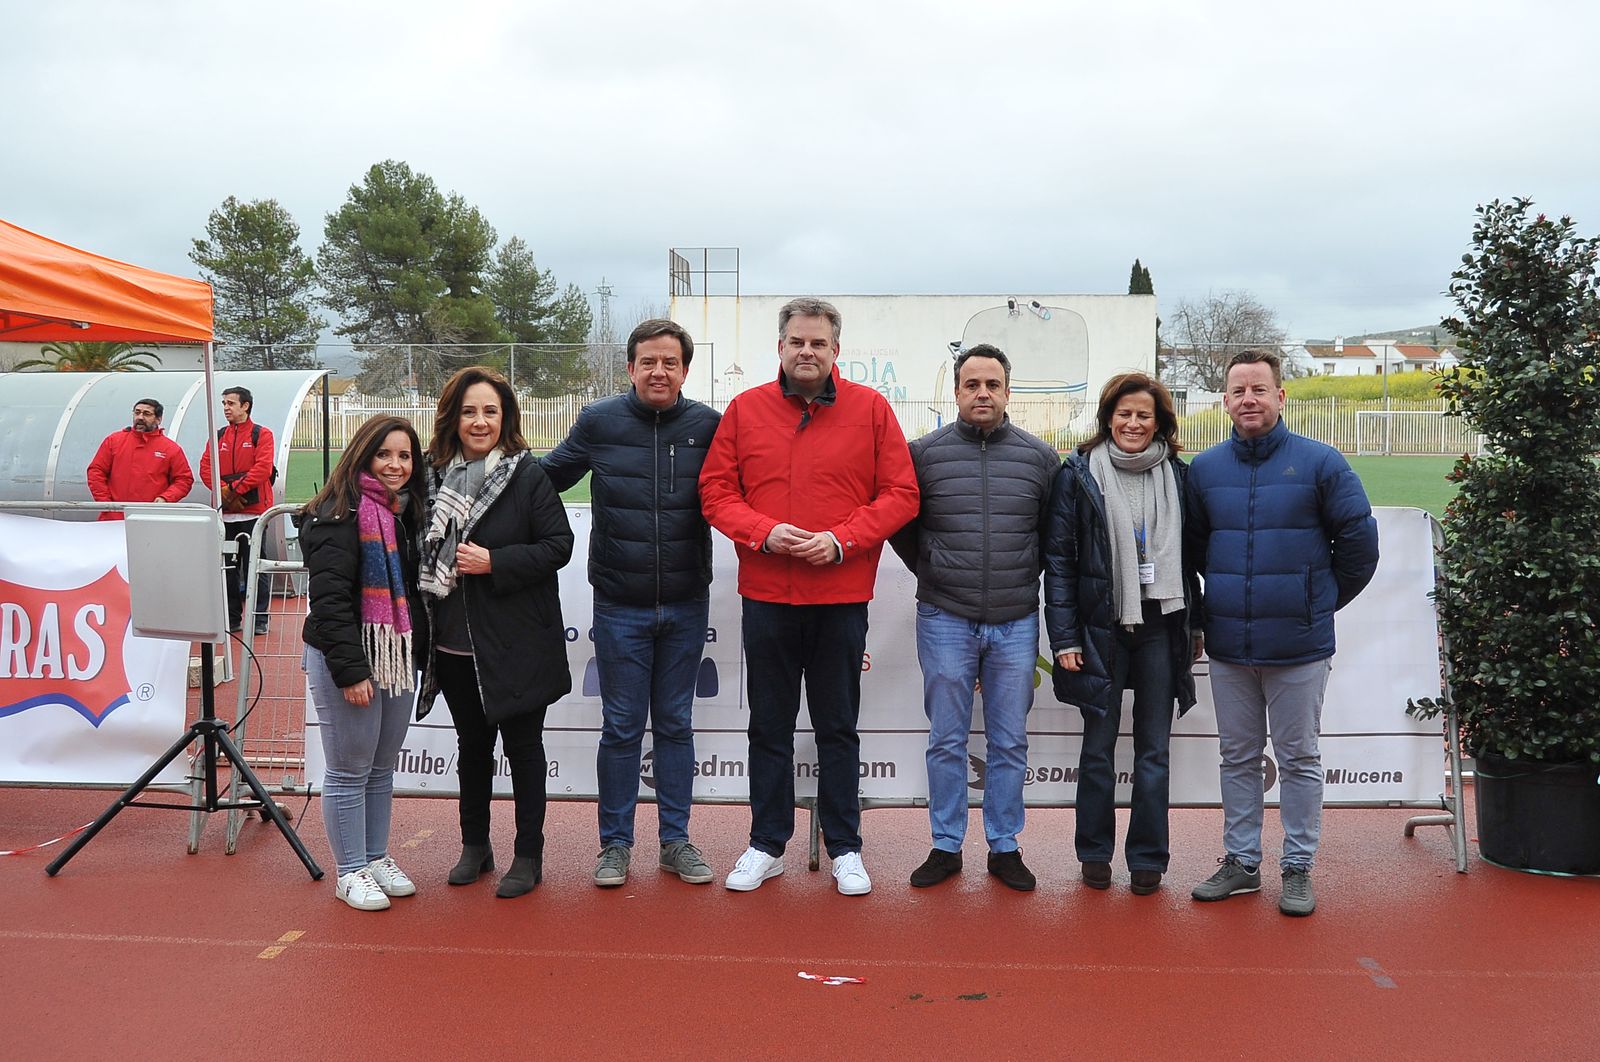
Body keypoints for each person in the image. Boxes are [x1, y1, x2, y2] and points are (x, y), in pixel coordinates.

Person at [699, 297, 919, 896]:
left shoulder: (872, 410)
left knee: (837, 726)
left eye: (818, 343)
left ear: (835, 351)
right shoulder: (745, 411)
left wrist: (842, 542)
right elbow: (716, 491)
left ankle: (845, 846)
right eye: (797, 341)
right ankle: (766, 844)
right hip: (767, 595)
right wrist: (763, 531)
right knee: (768, 725)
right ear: (780, 346)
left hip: (841, 597)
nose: (807, 352)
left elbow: (901, 494)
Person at [1185, 349, 1378, 917]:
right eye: (1238, 391)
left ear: (1280, 397)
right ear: (1224, 401)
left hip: (1299, 648)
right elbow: (1195, 551)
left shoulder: (1322, 462)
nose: (1249, 399)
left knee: (1298, 758)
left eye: (1259, 390)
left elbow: (1360, 547)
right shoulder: (1205, 469)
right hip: (1229, 648)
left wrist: (1312, 605)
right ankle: (1242, 863)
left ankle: (1297, 868)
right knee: (1237, 757)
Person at [542, 319, 723, 889]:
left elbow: (750, 490)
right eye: (648, 361)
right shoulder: (599, 421)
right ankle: (615, 845)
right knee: (621, 726)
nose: (659, 371)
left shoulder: (710, 427)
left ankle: (676, 842)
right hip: (619, 605)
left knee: (675, 724)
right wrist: (484, 476)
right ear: (630, 368)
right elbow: (546, 479)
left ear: (686, 370)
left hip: (687, 602)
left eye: (670, 362)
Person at [890, 344, 1059, 892]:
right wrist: (934, 570)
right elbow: (902, 528)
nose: (982, 393)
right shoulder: (924, 454)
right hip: (945, 616)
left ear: (1009, 392)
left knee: (1010, 742)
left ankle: (1004, 847)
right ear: (956, 392)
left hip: (1015, 620)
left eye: (992, 384)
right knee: (946, 738)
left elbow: (1051, 541)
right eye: (971, 385)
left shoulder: (1040, 459)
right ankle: (945, 845)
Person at [417, 366, 573, 899]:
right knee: (472, 746)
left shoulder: (527, 475)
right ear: (452, 418)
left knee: (525, 749)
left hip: (517, 643)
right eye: (468, 411)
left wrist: (496, 561)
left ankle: (528, 854)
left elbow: (559, 545)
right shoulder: (430, 475)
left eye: (489, 411)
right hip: (454, 643)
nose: (479, 421)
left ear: (505, 418)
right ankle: (474, 846)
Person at [1043, 372, 1202, 897]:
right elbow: (1060, 564)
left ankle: (1147, 859)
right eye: (1125, 413)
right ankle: (1093, 853)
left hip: (1161, 624)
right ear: (1108, 416)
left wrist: (1194, 622)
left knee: (1154, 751)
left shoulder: (1180, 475)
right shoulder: (1078, 474)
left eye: (1144, 415)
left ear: (1161, 422)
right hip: (1099, 629)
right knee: (1098, 749)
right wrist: (1064, 637)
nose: (1134, 423)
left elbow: (1194, 559)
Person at [298, 415, 430, 911]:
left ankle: (375, 857)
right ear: (362, 455)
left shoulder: (402, 512)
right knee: (350, 769)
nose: (396, 465)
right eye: (385, 454)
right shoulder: (335, 514)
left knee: (380, 767)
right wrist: (351, 671)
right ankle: (349, 869)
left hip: (394, 656)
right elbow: (329, 603)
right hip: (348, 657)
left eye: (404, 456)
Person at [199, 386, 276, 635]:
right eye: (224, 403)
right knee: (229, 568)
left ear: (245, 406)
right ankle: (232, 618)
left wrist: (234, 490)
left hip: (255, 514)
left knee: (255, 565)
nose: (226, 408)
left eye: (231, 403)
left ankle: (259, 618)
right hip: (227, 514)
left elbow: (262, 469)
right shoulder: (218, 435)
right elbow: (205, 467)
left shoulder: (262, 434)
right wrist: (223, 491)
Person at [85, 398, 194, 521]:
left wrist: (165, 498)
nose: (140, 417)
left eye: (147, 414)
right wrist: (107, 504)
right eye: (137, 412)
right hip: (113, 517)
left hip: (152, 518)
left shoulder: (170, 448)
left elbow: (184, 479)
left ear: (158, 419)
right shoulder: (114, 441)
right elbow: (96, 471)